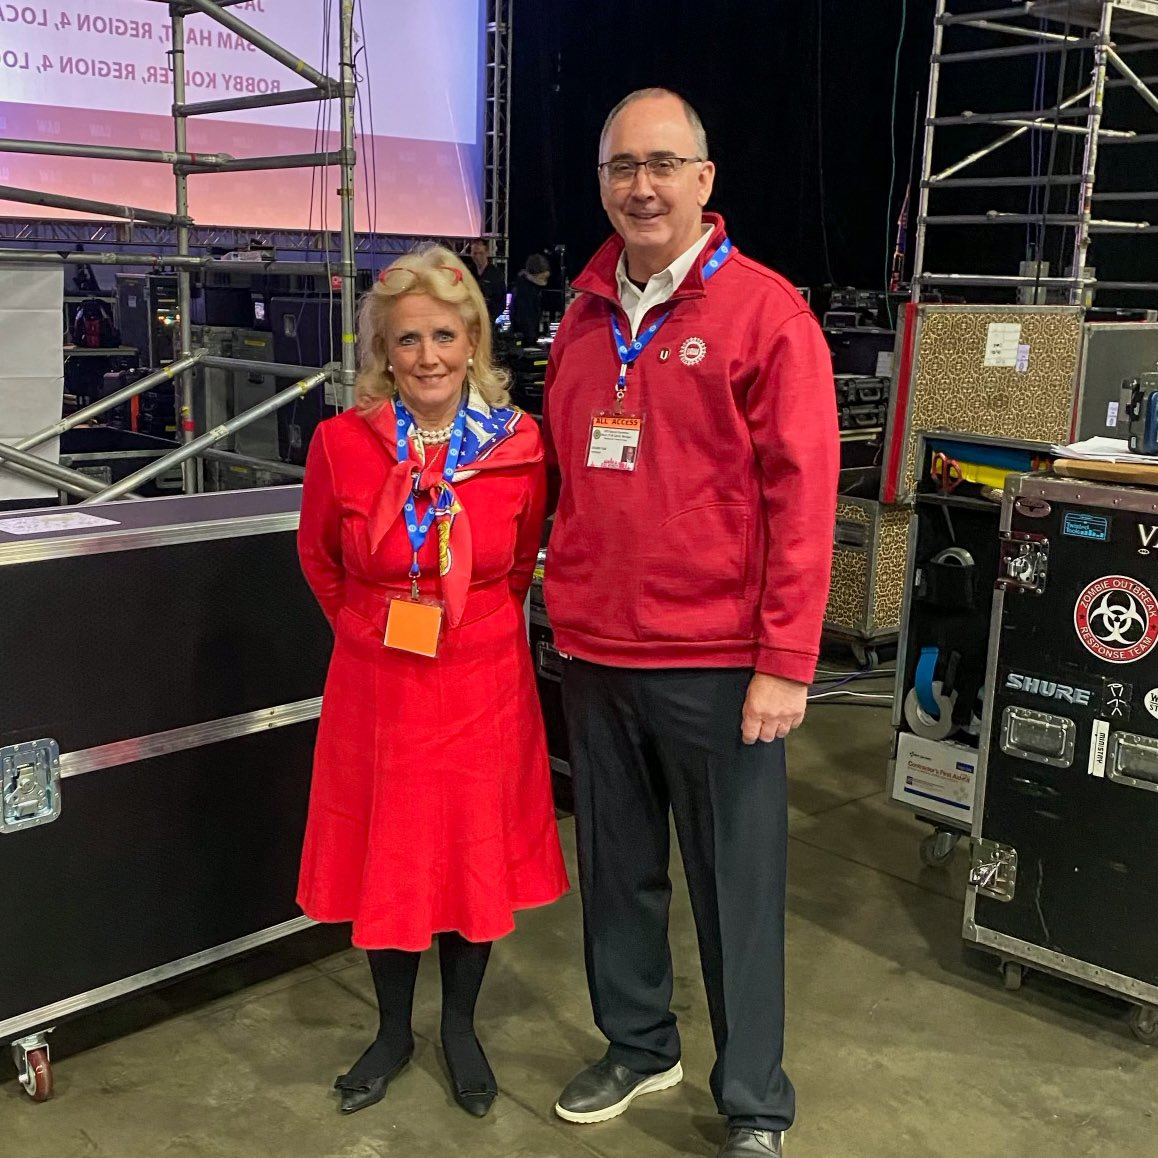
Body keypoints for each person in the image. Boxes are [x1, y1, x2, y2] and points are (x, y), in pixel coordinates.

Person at [542, 89, 839, 1158]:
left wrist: (785, 661)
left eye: (664, 163)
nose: (642, 185)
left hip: (721, 665)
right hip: (596, 652)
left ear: (704, 181)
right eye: (623, 166)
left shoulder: (766, 315)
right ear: (604, 183)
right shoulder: (581, 316)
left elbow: (803, 499)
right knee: (617, 874)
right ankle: (638, 1043)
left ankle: (754, 1098)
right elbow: (567, 471)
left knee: (737, 895)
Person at [296, 243, 569, 1120]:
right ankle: (390, 1030)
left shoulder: (521, 446)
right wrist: (363, 628)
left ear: (474, 340)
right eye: (406, 339)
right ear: (382, 350)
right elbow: (321, 559)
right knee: (392, 857)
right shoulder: (341, 444)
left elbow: (522, 557)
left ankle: (459, 1027)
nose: (427, 357)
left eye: (444, 336)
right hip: (379, 686)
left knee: (469, 857)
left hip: (484, 682)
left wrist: (479, 626)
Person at [510, 252, 552, 341]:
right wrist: (532, 337)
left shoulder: (527, 287)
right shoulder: (524, 291)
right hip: (526, 337)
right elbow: (525, 317)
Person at [468, 238, 508, 326]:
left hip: (489, 320)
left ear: (487, 253)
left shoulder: (496, 274)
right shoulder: (468, 273)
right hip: (471, 320)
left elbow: (502, 300)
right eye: (475, 253)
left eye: (481, 253)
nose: (477, 257)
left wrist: (491, 317)